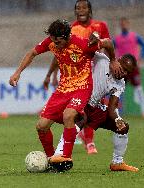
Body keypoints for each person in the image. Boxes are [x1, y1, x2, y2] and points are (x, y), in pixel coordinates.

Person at [9, 19, 120, 171]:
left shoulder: (83, 44)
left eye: (58, 41)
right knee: (41, 126)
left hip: (82, 87)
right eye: (53, 40)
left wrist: (113, 60)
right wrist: (17, 73)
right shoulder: (52, 41)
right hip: (63, 89)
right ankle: (51, 159)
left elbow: (108, 43)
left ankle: (66, 157)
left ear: (67, 36)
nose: (55, 44)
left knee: (69, 115)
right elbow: (32, 53)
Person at [43, 0, 114, 155]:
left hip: (97, 71)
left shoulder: (100, 26)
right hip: (79, 74)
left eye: (84, 7)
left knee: (93, 107)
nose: (81, 10)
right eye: (78, 8)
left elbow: (107, 46)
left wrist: (110, 67)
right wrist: (51, 74)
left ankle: (82, 140)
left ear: (90, 10)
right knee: (83, 109)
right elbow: (60, 54)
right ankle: (85, 142)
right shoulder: (71, 29)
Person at [52, 52, 139, 172]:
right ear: (117, 61)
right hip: (79, 98)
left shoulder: (120, 83)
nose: (124, 73)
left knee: (124, 127)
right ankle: (58, 155)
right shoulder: (102, 60)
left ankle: (117, 162)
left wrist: (118, 120)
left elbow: (112, 108)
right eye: (123, 69)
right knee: (81, 118)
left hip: (94, 106)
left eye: (127, 72)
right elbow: (83, 50)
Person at [113, 17, 144, 118]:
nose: (123, 25)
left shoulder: (134, 36)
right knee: (119, 90)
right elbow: (110, 48)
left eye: (125, 24)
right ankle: (119, 112)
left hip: (133, 67)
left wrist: (141, 58)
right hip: (122, 68)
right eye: (122, 24)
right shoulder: (117, 39)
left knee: (138, 88)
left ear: (128, 24)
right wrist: (113, 61)